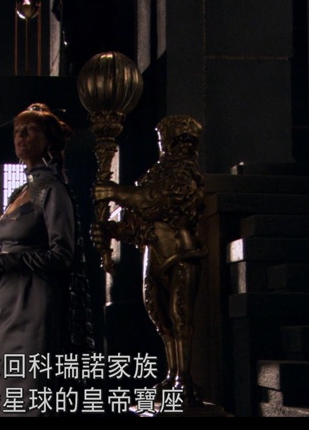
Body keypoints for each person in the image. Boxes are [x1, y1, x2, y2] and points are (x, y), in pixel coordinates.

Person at [0, 102, 94, 417]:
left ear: (48, 140)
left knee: (29, 388)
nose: (21, 136)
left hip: (35, 300)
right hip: (8, 299)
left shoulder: (52, 189)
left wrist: (4, 262)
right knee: (5, 385)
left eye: (30, 130)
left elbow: (62, 255)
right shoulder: (22, 191)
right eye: (17, 131)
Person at [90, 115, 207, 408]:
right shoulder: (155, 174)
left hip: (180, 252)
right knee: (161, 318)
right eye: (178, 141)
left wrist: (114, 191)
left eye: (187, 141)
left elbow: (159, 201)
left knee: (180, 316)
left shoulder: (185, 176)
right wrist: (110, 230)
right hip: (153, 253)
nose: (183, 146)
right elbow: (137, 225)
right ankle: (173, 372)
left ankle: (184, 378)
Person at [51, 0, 118, 77]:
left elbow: (107, 8)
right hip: (76, 34)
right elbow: (58, 9)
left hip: (93, 33)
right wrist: (62, 2)